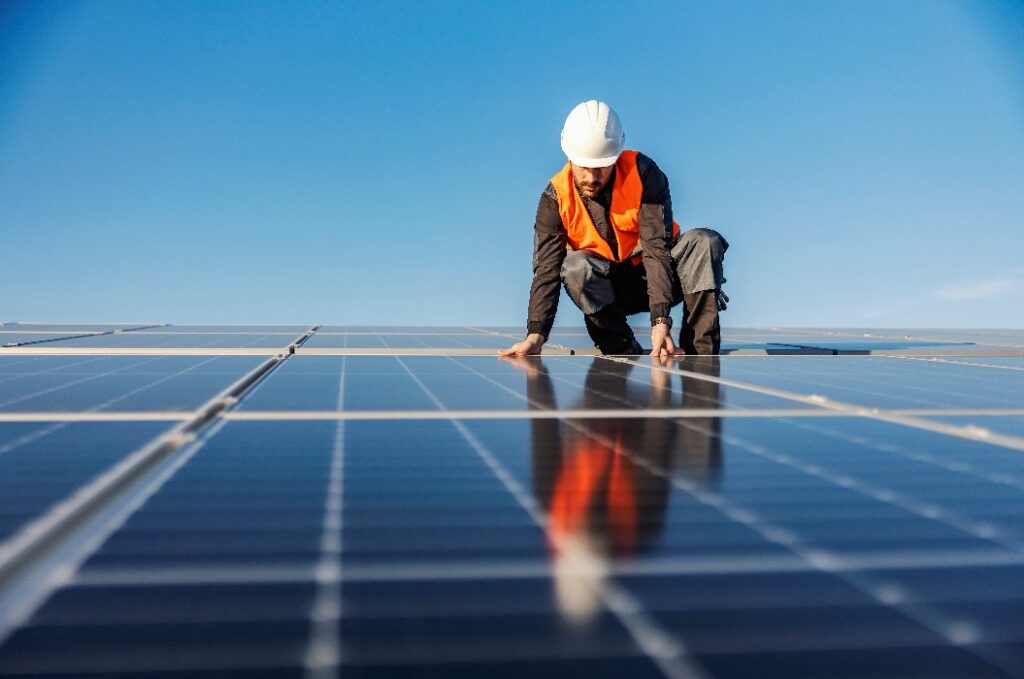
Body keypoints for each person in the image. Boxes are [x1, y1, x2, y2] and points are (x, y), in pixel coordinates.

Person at [499, 100, 729, 358]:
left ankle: (700, 354)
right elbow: (546, 271)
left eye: (601, 168)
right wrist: (535, 335)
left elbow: (657, 248)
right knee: (575, 268)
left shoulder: (644, 173)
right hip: (610, 291)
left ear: (616, 157)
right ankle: (620, 349)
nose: (592, 178)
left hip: (662, 275)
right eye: (584, 167)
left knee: (703, 242)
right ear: (570, 157)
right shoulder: (555, 199)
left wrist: (661, 320)